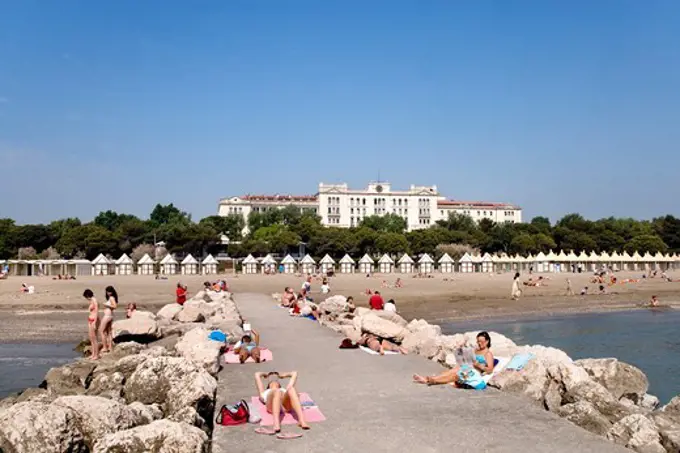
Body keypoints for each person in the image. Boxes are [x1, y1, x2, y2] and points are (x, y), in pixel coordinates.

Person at [413, 332, 495, 388]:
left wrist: (479, 365)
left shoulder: (488, 354)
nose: (479, 343)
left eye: (481, 341)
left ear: (487, 341)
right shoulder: (476, 350)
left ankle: (430, 380)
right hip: (467, 368)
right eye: (478, 341)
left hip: (474, 372)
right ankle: (429, 379)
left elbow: (490, 370)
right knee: (452, 371)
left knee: (455, 374)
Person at [254, 371, 310, 436]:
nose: (274, 382)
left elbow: (294, 373)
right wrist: (266, 375)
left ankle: (301, 420)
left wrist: (282, 375)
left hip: (284, 406)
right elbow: (257, 375)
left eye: (276, 382)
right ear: (268, 386)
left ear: (280, 385)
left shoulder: (283, 390)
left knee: (291, 389)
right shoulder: (265, 392)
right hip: (271, 407)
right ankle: (276, 424)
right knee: (276, 391)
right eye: (271, 382)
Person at [99, 286, 118, 354]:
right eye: (107, 291)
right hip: (110, 315)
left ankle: (105, 347)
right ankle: (110, 347)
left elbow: (115, 306)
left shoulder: (111, 298)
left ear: (112, 292)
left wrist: (107, 305)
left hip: (108, 316)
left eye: (109, 291)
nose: (108, 293)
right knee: (108, 332)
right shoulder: (112, 298)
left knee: (101, 331)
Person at [83, 289, 100, 360]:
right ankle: (93, 353)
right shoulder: (91, 301)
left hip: (94, 320)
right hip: (90, 319)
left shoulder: (94, 300)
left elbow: (96, 311)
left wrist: (95, 322)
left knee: (94, 338)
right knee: (91, 338)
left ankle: (96, 355)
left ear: (87, 295)